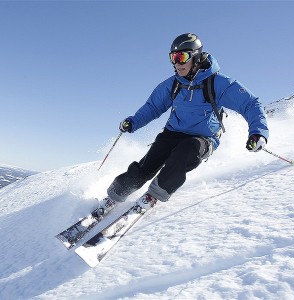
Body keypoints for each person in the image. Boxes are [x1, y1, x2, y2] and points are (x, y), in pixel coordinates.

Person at [96, 33, 269, 214]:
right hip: (173, 133)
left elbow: (250, 104)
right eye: (173, 57)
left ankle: (153, 195)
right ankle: (114, 196)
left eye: (182, 57)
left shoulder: (218, 83)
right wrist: (133, 122)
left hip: (203, 138)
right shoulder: (173, 85)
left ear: (196, 56)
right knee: (148, 164)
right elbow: (153, 107)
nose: (177, 63)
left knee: (184, 152)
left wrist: (259, 133)